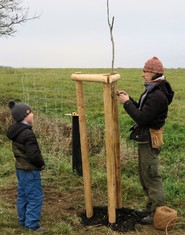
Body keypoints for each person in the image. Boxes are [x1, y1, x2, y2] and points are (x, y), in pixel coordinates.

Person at [117, 56, 174, 224]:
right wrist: (131, 100)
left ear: (154, 73)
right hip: (146, 138)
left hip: (149, 140)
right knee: (145, 175)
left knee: (151, 176)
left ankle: (157, 213)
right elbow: (145, 111)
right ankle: (151, 208)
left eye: (145, 71)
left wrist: (127, 103)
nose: (142, 74)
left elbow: (142, 118)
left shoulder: (157, 95)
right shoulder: (153, 89)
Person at [7, 100, 46, 231]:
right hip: (30, 170)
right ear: (24, 116)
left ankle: (23, 220)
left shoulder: (16, 131)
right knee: (35, 197)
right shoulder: (28, 134)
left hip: (20, 168)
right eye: (30, 113)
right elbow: (33, 155)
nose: (33, 114)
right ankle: (32, 225)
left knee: (23, 194)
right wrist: (41, 164)